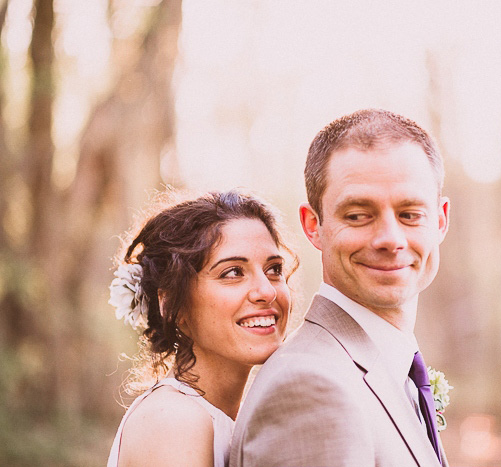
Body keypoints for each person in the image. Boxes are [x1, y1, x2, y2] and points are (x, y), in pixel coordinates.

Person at [230, 109, 451, 466]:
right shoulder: (307, 388)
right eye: (358, 215)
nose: (390, 239)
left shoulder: (388, 367)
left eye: (410, 214)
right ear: (313, 225)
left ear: (440, 221)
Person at [106, 190, 296, 467]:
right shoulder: (174, 419)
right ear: (172, 305)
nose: (267, 291)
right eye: (233, 272)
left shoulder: (236, 418)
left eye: (274, 269)